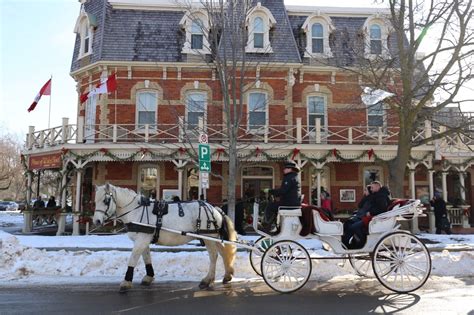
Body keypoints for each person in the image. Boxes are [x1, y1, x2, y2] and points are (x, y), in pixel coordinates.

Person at [343, 181, 391, 248]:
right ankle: (352, 242)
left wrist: (371, 212)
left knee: (353, 227)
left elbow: (382, 209)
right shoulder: (378, 195)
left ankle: (361, 243)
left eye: (372, 187)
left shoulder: (381, 196)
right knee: (351, 225)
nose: (371, 189)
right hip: (371, 217)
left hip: (375, 219)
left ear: (377, 187)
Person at [263, 161, 301, 232]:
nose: (284, 169)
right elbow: (285, 191)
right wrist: (274, 193)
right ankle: (274, 225)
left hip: (289, 203)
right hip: (292, 202)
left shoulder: (289, 178)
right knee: (274, 205)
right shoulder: (294, 176)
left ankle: (268, 226)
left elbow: (283, 191)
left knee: (270, 206)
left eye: (286, 168)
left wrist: (270, 191)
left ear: (290, 169)